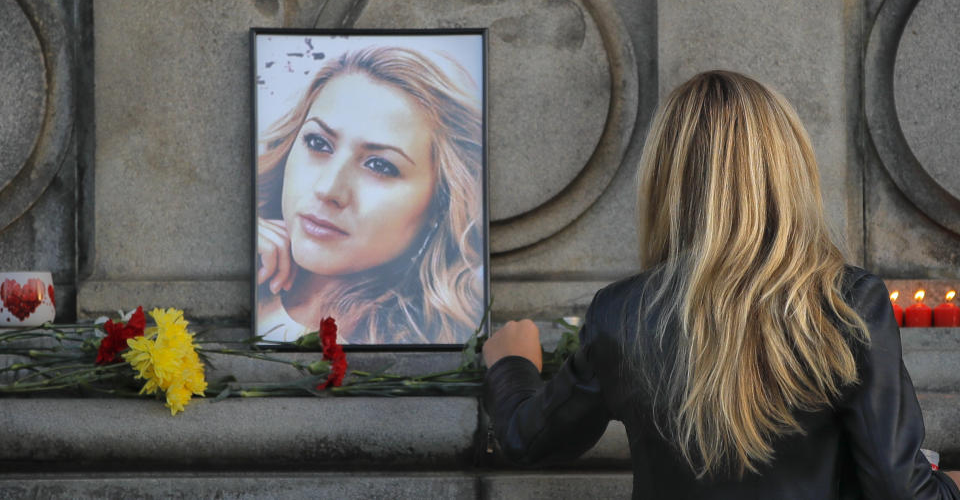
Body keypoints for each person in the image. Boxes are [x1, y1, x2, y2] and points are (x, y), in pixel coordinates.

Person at [482, 70, 960, 499]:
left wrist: (511, 365)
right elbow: (902, 490)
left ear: (665, 180)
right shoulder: (845, 302)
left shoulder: (620, 313)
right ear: (790, 172)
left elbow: (530, 440)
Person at [256, 45, 484, 345]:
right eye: (318, 143)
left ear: (441, 203)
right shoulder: (248, 273)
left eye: (380, 166)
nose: (328, 190)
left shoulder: (420, 349)